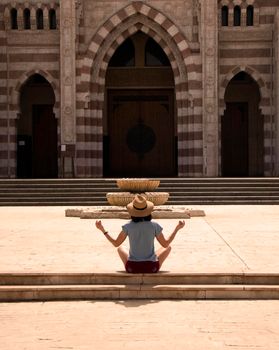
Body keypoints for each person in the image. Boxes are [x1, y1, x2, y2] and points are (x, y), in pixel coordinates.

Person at [95, 194, 185, 273]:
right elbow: (165, 244)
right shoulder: (154, 225)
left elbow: (116, 243)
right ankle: (150, 259)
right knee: (167, 248)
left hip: (132, 267)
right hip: (152, 267)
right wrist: (177, 229)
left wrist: (102, 230)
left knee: (121, 248)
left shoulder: (128, 226)